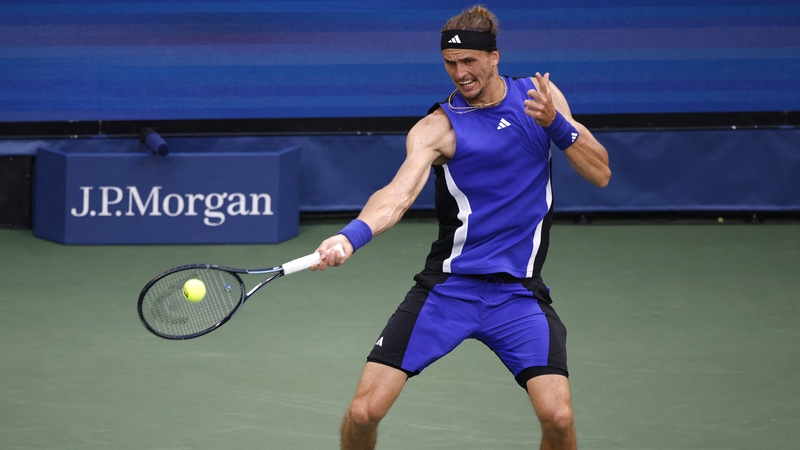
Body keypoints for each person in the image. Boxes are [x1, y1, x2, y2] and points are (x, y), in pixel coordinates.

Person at [311, 5, 611, 449]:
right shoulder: (437, 127)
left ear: (494, 57)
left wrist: (555, 123)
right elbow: (397, 195)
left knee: (559, 418)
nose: (460, 73)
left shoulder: (541, 98)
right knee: (363, 412)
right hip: (448, 289)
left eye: (469, 61)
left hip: (518, 292)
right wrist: (349, 236)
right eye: (451, 64)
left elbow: (600, 172)